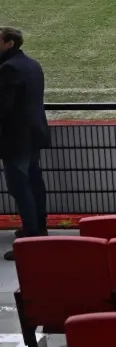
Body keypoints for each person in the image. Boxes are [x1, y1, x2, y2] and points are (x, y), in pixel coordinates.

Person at [0, 27, 49, 259]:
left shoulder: (8, 69)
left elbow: (3, 108)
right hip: (34, 132)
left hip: (15, 136)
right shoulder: (32, 64)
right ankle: (38, 228)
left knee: (20, 186)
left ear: (9, 43)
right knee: (34, 181)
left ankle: (31, 237)